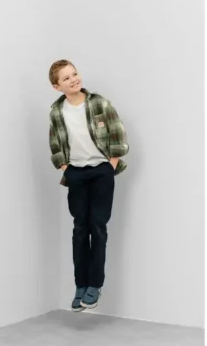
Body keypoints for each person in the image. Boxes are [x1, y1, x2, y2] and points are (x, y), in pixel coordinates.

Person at [48, 59, 128, 313]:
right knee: (80, 229)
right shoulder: (57, 112)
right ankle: (80, 285)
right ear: (57, 86)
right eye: (66, 78)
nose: (73, 79)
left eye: (75, 73)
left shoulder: (99, 103)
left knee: (98, 226)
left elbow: (118, 135)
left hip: (102, 172)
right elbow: (55, 145)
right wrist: (66, 170)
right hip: (76, 175)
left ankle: (95, 285)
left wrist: (110, 166)